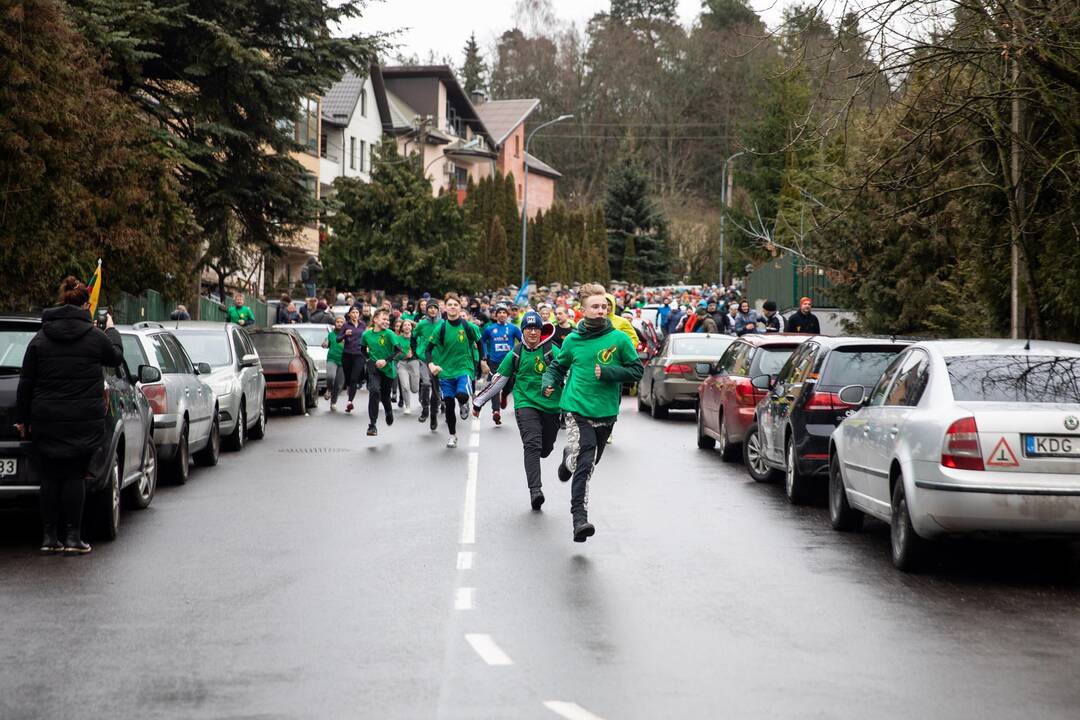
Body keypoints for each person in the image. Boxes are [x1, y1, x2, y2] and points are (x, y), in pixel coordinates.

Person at [15, 277, 125, 555]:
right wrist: (111, 329)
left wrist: (23, 419)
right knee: (75, 475)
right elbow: (115, 357)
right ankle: (74, 538)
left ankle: (50, 537)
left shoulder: (40, 339)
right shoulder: (95, 336)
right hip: (82, 419)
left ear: (61, 301)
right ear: (85, 305)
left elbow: (26, 382)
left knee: (50, 477)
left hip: (46, 418)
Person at [542, 283, 643, 542]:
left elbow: (636, 371)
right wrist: (549, 383)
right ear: (582, 310)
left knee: (585, 463)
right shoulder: (573, 340)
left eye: (604, 307)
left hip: (606, 412)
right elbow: (556, 366)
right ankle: (579, 520)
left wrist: (610, 372)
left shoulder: (619, 339)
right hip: (577, 407)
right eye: (595, 306)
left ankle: (568, 459)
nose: (601, 310)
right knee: (586, 465)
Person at [473, 311, 561, 510]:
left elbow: (568, 372)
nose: (532, 332)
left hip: (551, 406)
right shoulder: (516, 353)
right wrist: (479, 402)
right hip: (525, 404)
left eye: (536, 328)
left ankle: (541, 462)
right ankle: (535, 491)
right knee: (532, 444)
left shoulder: (551, 350)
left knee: (545, 449)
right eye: (528, 328)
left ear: (541, 330)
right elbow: (499, 380)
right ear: (522, 331)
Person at [425, 293, 486, 449]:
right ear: (445, 307)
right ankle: (452, 436)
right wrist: (431, 364)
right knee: (449, 405)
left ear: (460, 307)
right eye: (450, 304)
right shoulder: (441, 327)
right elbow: (428, 350)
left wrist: (482, 361)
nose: (452, 307)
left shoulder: (468, 326)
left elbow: (479, 343)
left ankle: (464, 403)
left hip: (464, 368)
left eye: (455, 305)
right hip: (445, 371)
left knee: (462, 394)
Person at [360, 308, 402, 436]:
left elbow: (398, 350)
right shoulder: (366, 335)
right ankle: (372, 425)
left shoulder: (390, 334)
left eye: (387, 319)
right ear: (375, 320)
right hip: (373, 367)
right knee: (374, 390)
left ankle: (389, 412)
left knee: (385, 397)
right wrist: (368, 360)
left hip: (388, 368)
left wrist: (386, 360)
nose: (386, 321)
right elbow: (362, 349)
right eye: (384, 319)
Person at [480, 305, 523, 426]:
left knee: (508, 385)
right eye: (500, 312)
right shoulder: (490, 329)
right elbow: (482, 341)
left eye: (504, 312)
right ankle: (496, 411)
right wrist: (485, 355)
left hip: (510, 362)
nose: (502, 314)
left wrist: (519, 354)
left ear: (507, 315)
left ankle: (504, 395)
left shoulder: (513, 328)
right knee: (494, 386)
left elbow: (522, 341)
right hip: (494, 362)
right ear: (496, 315)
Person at [413, 300, 443, 430]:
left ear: (438, 310)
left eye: (434, 308)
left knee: (436, 391)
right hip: (424, 359)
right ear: (426, 310)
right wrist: (414, 351)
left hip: (438, 361)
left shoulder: (443, 324)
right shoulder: (422, 324)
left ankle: (433, 415)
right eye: (430, 308)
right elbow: (413, 337)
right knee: (425, 383)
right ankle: (425, 409)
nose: (432, 310)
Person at [337, 305, 366, 413]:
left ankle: (350, 402)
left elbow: (366, 338)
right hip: (347, 355)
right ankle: (349, 387)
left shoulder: (363, 325)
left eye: (357, 312)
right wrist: (345, 334)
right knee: (348, 379)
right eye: (353, 312)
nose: (355, 314)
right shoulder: (345, 325)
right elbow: (337, 339)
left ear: (359, 314)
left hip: (359, 355)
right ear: (349, 314)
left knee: (354, 379)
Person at [397, 320, 421, 415]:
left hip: (414, 363)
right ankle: (407, 406)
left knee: (415, 389)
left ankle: (419, 394)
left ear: (412, 327)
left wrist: (414, 353)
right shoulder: (398, 339)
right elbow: (394, 353)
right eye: (405, 325)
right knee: (405, 386)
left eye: (409, 325)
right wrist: (403, 355)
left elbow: (421, 349)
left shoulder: (416, 338)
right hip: (402, 364)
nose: (407, 326)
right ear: (402, 328)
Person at [322, 315, 346, 410]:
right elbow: (326, 342)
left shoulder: (346, 335)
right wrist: (325, 344)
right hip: (332, 359)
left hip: (343, 361)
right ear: (335, 323)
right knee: (330, 376)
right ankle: (328, 389)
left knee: (339, 384)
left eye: (341, 322)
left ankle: (333, 402)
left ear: (344, 324)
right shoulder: (331, 334)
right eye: (338, 322)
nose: (339, 324)